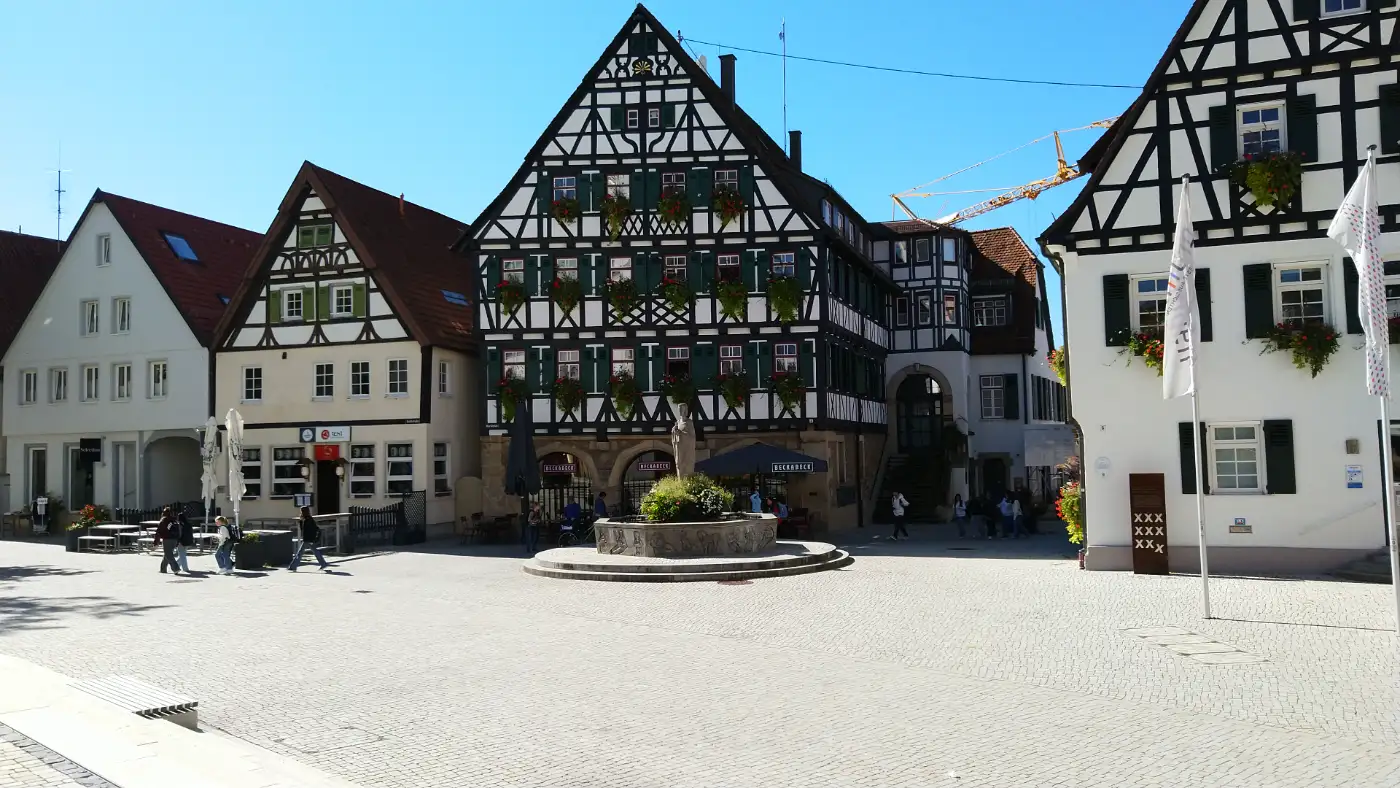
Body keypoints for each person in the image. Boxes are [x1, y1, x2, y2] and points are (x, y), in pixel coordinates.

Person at [289, 506, 330, 571]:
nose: (301, 513)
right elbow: (304, 529)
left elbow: (308, 530)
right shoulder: (308, 519)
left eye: (301, 511)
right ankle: (323, 564)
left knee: (300, 553)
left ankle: (293, 567)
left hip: (308, 539)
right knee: (315, 552)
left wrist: (300, 521)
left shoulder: (308, 520)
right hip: (309, 539)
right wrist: (300, 522)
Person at [155, 507, 180, 574]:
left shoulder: (163, 520)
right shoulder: (174, 520)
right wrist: (178, 540)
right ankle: (163, 569)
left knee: (169, 555)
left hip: (167, 540)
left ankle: (176, 568)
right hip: (174, 539)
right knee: (167, 554)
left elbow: (158, 531)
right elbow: (179, 530)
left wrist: (156, 542)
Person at [175, 508, 195, 574]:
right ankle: (175, 565)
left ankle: (185, 568)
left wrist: (177, 541)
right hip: (188, 541)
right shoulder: (189, 524)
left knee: (182, 555)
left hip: (181, 541)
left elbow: (179, 534)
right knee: (182, 555)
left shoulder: (179, 525)